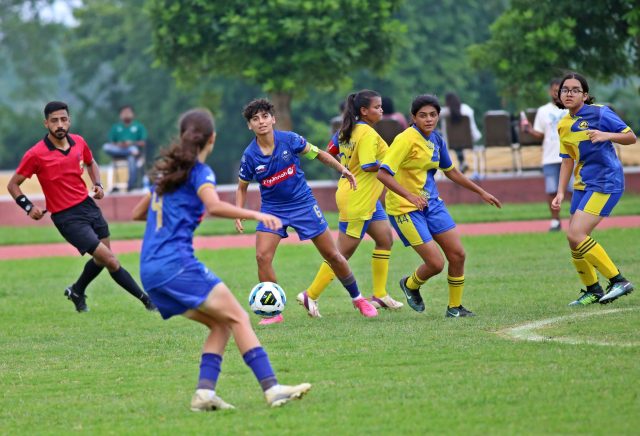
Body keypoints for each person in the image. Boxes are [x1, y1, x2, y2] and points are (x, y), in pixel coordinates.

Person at [132, 108, 311, 411]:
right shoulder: (200, 173)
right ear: (212, 138)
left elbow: (138, 213)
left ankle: (204, 394)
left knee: (221, 325)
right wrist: (255, 213)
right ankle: (273, 388)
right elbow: (213, 206)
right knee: (240, 317)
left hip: (150, 270)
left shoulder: (165, 175)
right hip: (177, 265)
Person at [235, 98, 378, 324]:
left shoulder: (290, 140)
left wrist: (343, 169)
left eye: (264, 117)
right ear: (249, 126)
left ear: (273, 119)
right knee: (262, 256)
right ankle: (274, 312)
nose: (261, 122)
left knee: (332, 255)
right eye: (255, 119)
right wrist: (238, 211)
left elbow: (319, 154)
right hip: (273, 210)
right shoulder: (250, 156)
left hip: (303, 204)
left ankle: (358, 299)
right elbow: (242, 187)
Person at [7, 101, 155, 313]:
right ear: (46, 123)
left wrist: (98, 184)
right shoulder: (35, 154)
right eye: (54, 120)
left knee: (101, 259)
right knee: (111, 260)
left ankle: (76, 291)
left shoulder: (78, 142)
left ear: (69, 121)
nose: (60, 124)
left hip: (88, 206)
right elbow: (13, 185)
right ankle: (148, 302)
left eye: (64, 120)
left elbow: (91, 162)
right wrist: (28, 207)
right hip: (67, 218)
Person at [377, 95, 502, 317]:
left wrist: (481, 191)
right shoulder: (405, 139)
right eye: (423, 115)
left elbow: (451, 171)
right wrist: (410, 197)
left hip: (432, 205)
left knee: (458, 255)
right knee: (435, 264)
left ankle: (454, 308)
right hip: (405, 209)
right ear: (413, 117)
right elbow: (383, 174)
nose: (428, 119)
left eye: (433, 115)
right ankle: (411, 284)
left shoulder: (437, 139)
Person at [301, 90, 404, 317]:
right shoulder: (365, 132)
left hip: (366, 198)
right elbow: (368, 165)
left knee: (385, 239)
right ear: (364, 111)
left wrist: (348, 166)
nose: (381, 110)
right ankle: (310, 295)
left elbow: (331, 151)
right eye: (377, 107)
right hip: (358, 198)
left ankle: (380, 295)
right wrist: (392, 162)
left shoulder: (347, 129)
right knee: (341, 255)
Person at [551, 72, 636, 306]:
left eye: (575, 89)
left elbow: (630, 137)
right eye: (564, 90)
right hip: (583, 185)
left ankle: (618, 280)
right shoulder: (563, 124)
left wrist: (605, 135)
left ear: (585, 95)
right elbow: (567, 159)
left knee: (576, 234)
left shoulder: (600, 112)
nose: (568, 93)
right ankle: (593, 290)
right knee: (573, 240)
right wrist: (560, 192)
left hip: (606, 181)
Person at [524, 79, 571, 231]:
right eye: (555, 90)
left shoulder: (572, 108)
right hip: (550, 157)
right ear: (550, 91)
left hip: (570, 156)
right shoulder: (543, 111)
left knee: (574, 190)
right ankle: (555, 221)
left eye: (561, 90)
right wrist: (529, 130)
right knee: (551, 191)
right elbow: (540, 133)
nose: (557, 93)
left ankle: (576, 219)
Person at [103, 105, 147, 192]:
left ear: (133, 114)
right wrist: (120, 145)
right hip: (119, 151)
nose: (126, 114)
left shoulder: (139, 127)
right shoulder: (116, 127)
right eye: (124, 112)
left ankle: (130, 185)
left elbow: (143, 142)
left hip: (134, 154)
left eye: (128, 112)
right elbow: (111, 143)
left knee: (131, 158)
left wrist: (131, 143)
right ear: (120, 115)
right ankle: (129, 150)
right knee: (106, 147)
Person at [440, 93, 482, 174]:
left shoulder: (445, 112)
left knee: (456, 144)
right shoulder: (467, 109)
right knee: (459, 143)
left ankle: (462, 162)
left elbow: (437, 112)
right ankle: (463, 163)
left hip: (452, 142)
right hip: (469, 140)